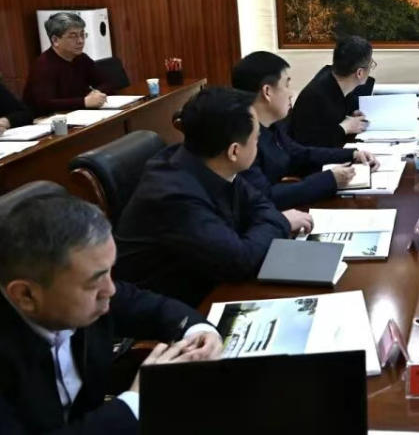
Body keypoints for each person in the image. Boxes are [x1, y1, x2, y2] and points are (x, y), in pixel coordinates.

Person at [0, 193, 222, 434]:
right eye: (94, 282)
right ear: (26, 295)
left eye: (109, 271)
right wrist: (137, 401)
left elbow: (155, 308)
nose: (111, 290)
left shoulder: (83, 290)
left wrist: (199, 333)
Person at [116, 87, 312, 307]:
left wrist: (269, 223)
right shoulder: (174, 196)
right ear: (234, 151)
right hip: (177, 307)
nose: (258, 145)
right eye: (256, 139)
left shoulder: (210, 161)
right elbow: (239, 261)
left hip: (209, 279)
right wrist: (282, 222)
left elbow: (259, 203)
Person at [232, 51, 378, 209]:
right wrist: (330, 180)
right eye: (286, 85)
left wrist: (352, 154)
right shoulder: (242, 139)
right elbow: (264, 197)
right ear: (267, 92)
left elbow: (300, 153)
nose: (291, 93)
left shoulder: (272, 126)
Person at [288, 35, 376, 148]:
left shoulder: (333, 77)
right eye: (370, 64)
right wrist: (345, 128)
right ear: (360, 73)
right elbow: (309, 145)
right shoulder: (316, 97)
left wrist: (350, 117)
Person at [23, 12, 112, 115]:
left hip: (78, 114)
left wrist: (97, 93)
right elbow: (45, 104)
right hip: (46, 119)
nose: (80, 41)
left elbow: (107, 82)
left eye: (82, 34)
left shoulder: (81, 58)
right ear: (55, 40)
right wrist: (84, 102)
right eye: (73, 36)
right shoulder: (43, 65)